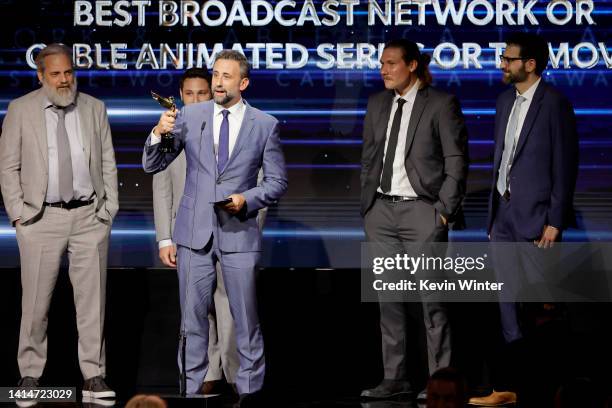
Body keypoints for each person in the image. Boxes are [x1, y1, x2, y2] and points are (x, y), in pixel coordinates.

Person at [143, 50, 287, 406]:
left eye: (226, 76)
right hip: (194, 234)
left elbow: (277, 182)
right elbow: (153, 164)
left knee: (245, 320)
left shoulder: (265, 124)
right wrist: (158, 134)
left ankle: (250, 394)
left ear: (243, 82)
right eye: (216, 75)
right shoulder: (190, 116)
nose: (218, 81)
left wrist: (247, 199)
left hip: (239, 232)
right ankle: (190, 393)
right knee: (192, 323)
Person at [0, 43, 118, 400]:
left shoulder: (94, 108)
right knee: (36, 304)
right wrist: (20, 214)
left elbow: (108, 161)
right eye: (56, 74)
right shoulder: (21, 110)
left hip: (89, 217)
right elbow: (8, 167)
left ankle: (94, 377)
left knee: (92, 303)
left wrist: (107, 210)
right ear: (40, 76)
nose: (64, 80)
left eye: (69, 72)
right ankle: (30, 376)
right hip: (40, 218)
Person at [468, 32, 579, 406]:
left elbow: (565, 165)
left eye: (508, 59)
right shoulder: (503, 101)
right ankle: (510, 386)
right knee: (505, 303)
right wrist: (492, 216)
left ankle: (542, 389)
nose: (502, 64)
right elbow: (500, 159)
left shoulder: (555, 104)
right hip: (502, 217)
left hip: (537, 219)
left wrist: (555, 220)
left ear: (529, 64)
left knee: (538, 306)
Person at [360, 39, 469, 400]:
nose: (384, 69)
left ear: (411, 66)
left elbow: (457, 161)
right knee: (388, 300)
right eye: (381, 63)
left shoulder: (440, 102)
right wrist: (369, 206)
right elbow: (369, 158)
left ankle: (440, 381)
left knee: (432, 302)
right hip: (381, 212)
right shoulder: (377, 103)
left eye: (391, 63)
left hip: (423, 211)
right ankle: (395, 378)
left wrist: (443, 211)